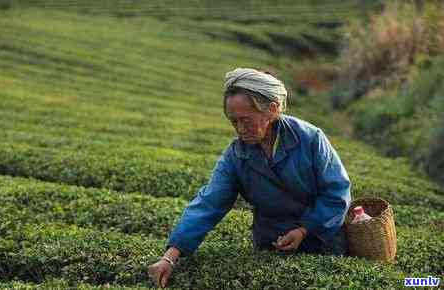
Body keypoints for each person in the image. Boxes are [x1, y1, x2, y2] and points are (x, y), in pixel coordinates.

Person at [148, 68, 351, 288]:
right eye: (234, 122)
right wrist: (170, 256)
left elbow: (336, 192)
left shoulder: (310, 139)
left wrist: (304, 229)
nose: (240, 129)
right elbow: (209, 203)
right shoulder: (236, 156)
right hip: (273, 246)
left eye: (246, 120)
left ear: (272, 110)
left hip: (322, 242)